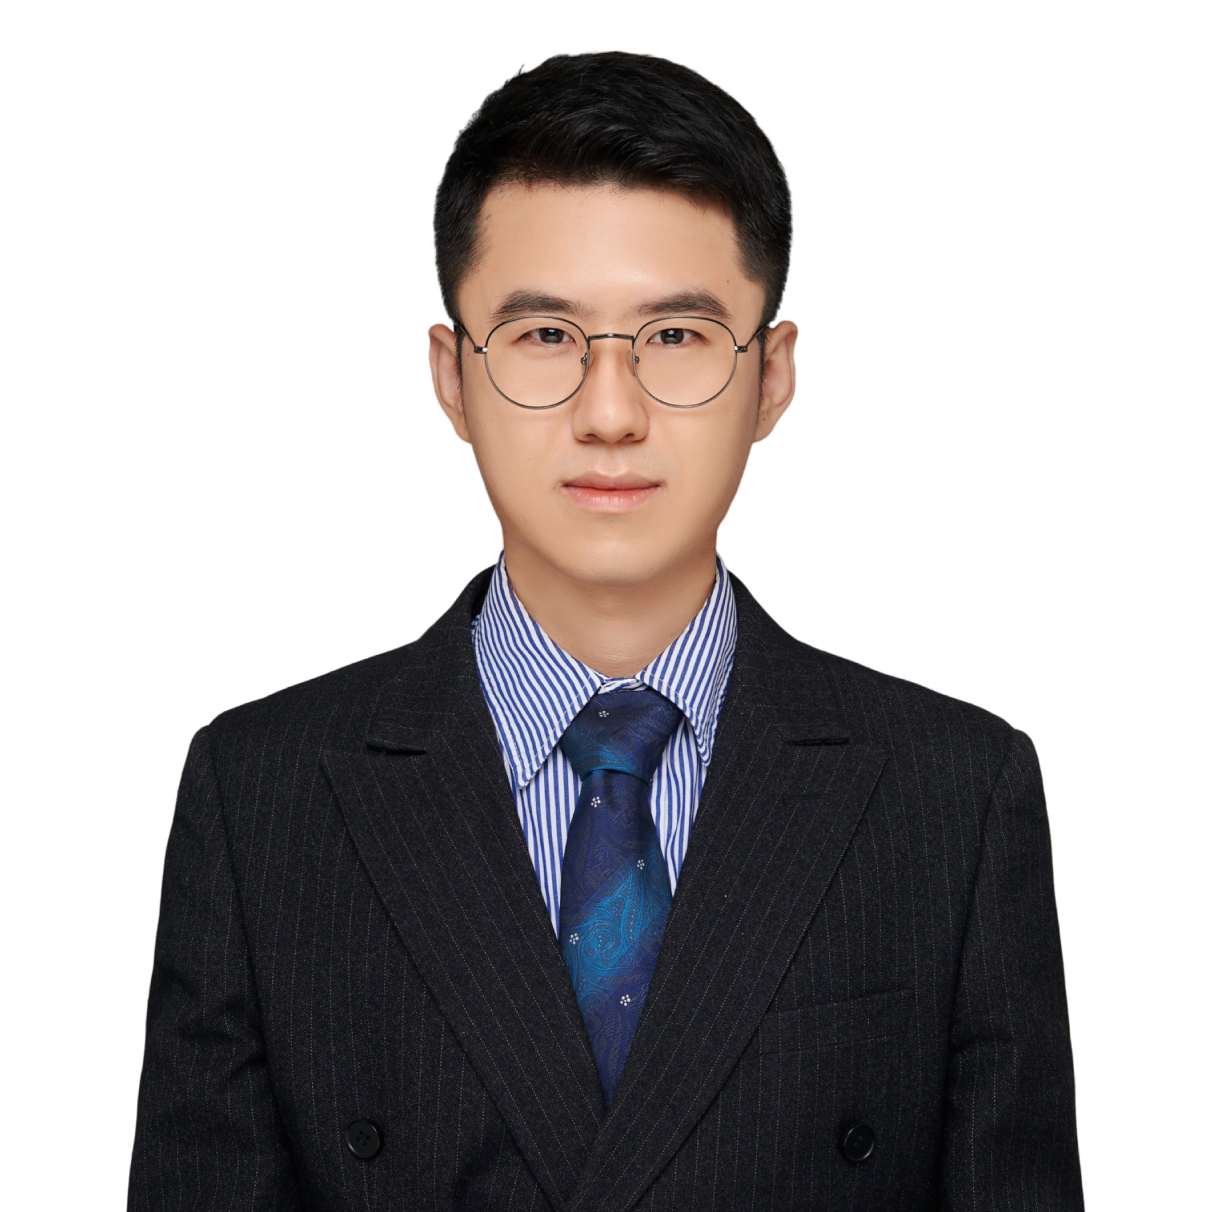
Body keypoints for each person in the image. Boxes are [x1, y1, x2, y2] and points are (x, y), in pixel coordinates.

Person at [129, 50, 1082, 1210]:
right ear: (450, 378)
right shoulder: (258, 797)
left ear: (774, 377)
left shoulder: (958, 794)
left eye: (676, 337)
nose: (612, 412)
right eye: (545, 336)